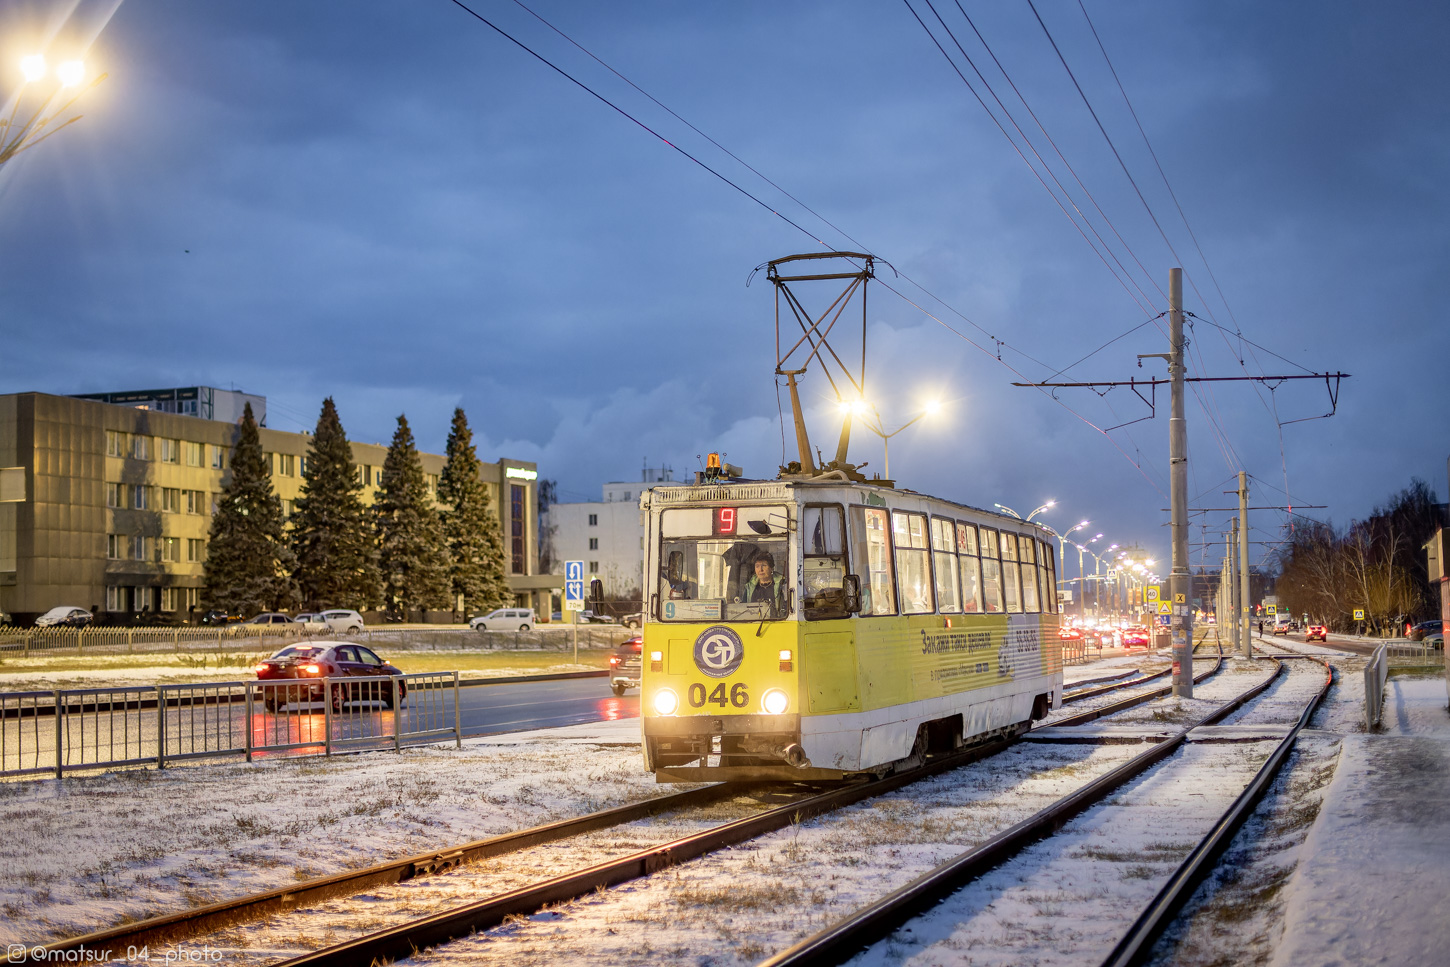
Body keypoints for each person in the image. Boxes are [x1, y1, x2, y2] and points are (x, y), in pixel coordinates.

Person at [740, 550, 787, 614]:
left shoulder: (782, 584)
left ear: (771, 568)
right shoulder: (749, 587)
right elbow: (743, 609)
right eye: (757, 566)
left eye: (764, 565)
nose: (760, 570)